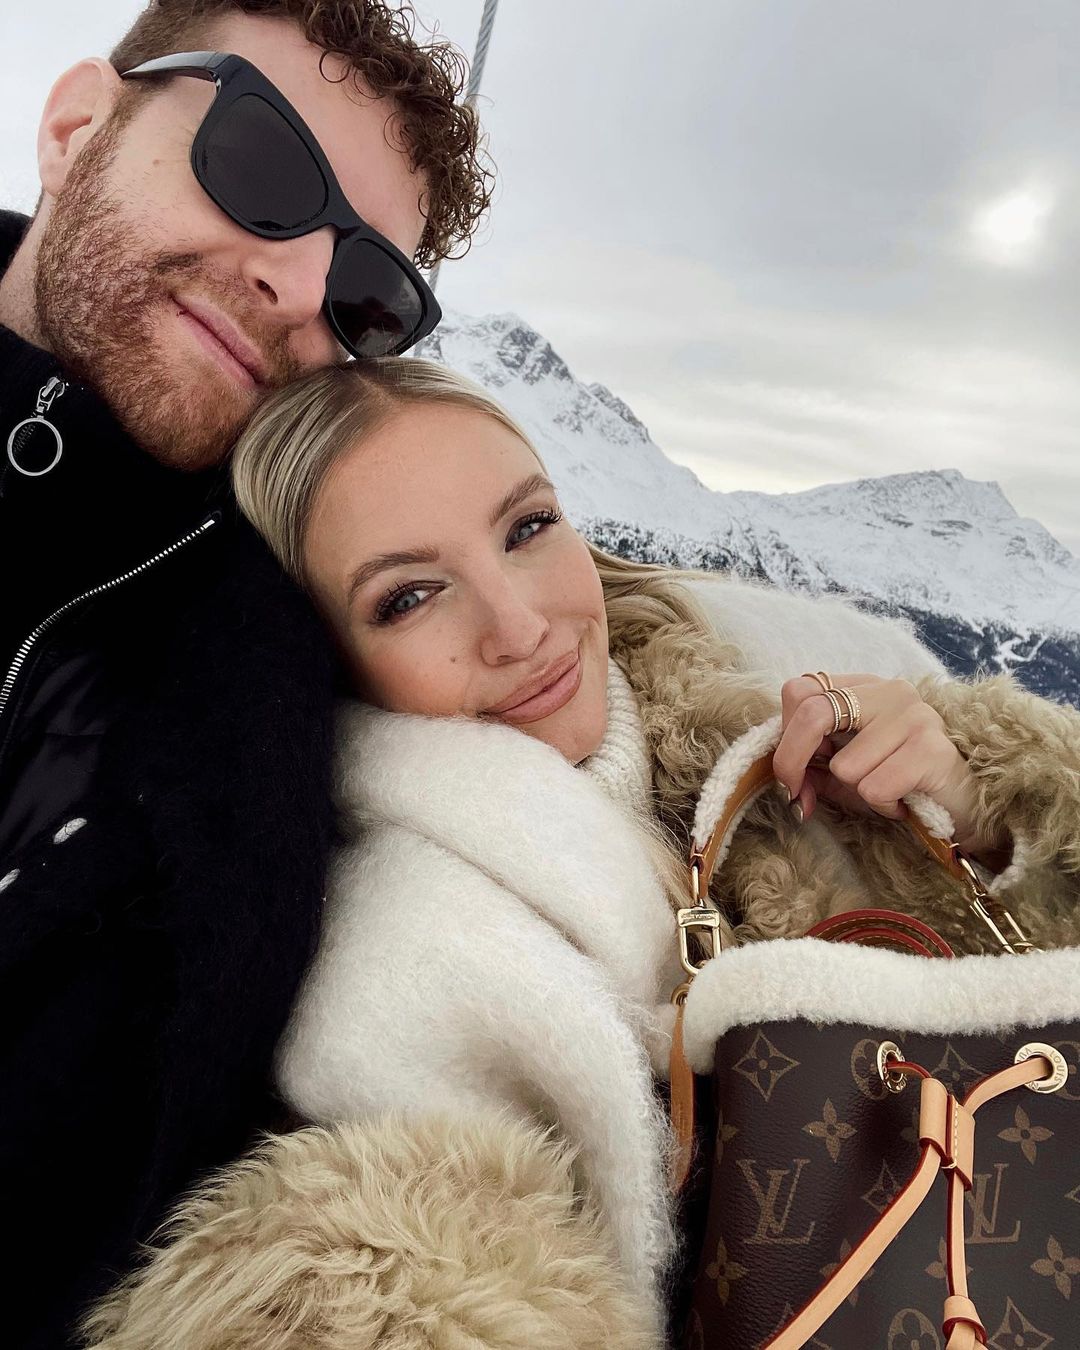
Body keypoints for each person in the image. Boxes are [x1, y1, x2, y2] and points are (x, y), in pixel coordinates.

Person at [83, 359, 1080, 1349]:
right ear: (323, 657)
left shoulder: (778, 728)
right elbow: (397, 1255)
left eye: (526, 529)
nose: (520, 628)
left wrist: (983, 810)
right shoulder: (394, 966)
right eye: (409, 597)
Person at [0, 2, 490, 1344]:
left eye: (367, 291)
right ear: (77, 127)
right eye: (261, 165)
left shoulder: (267, 663)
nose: (301, 289)